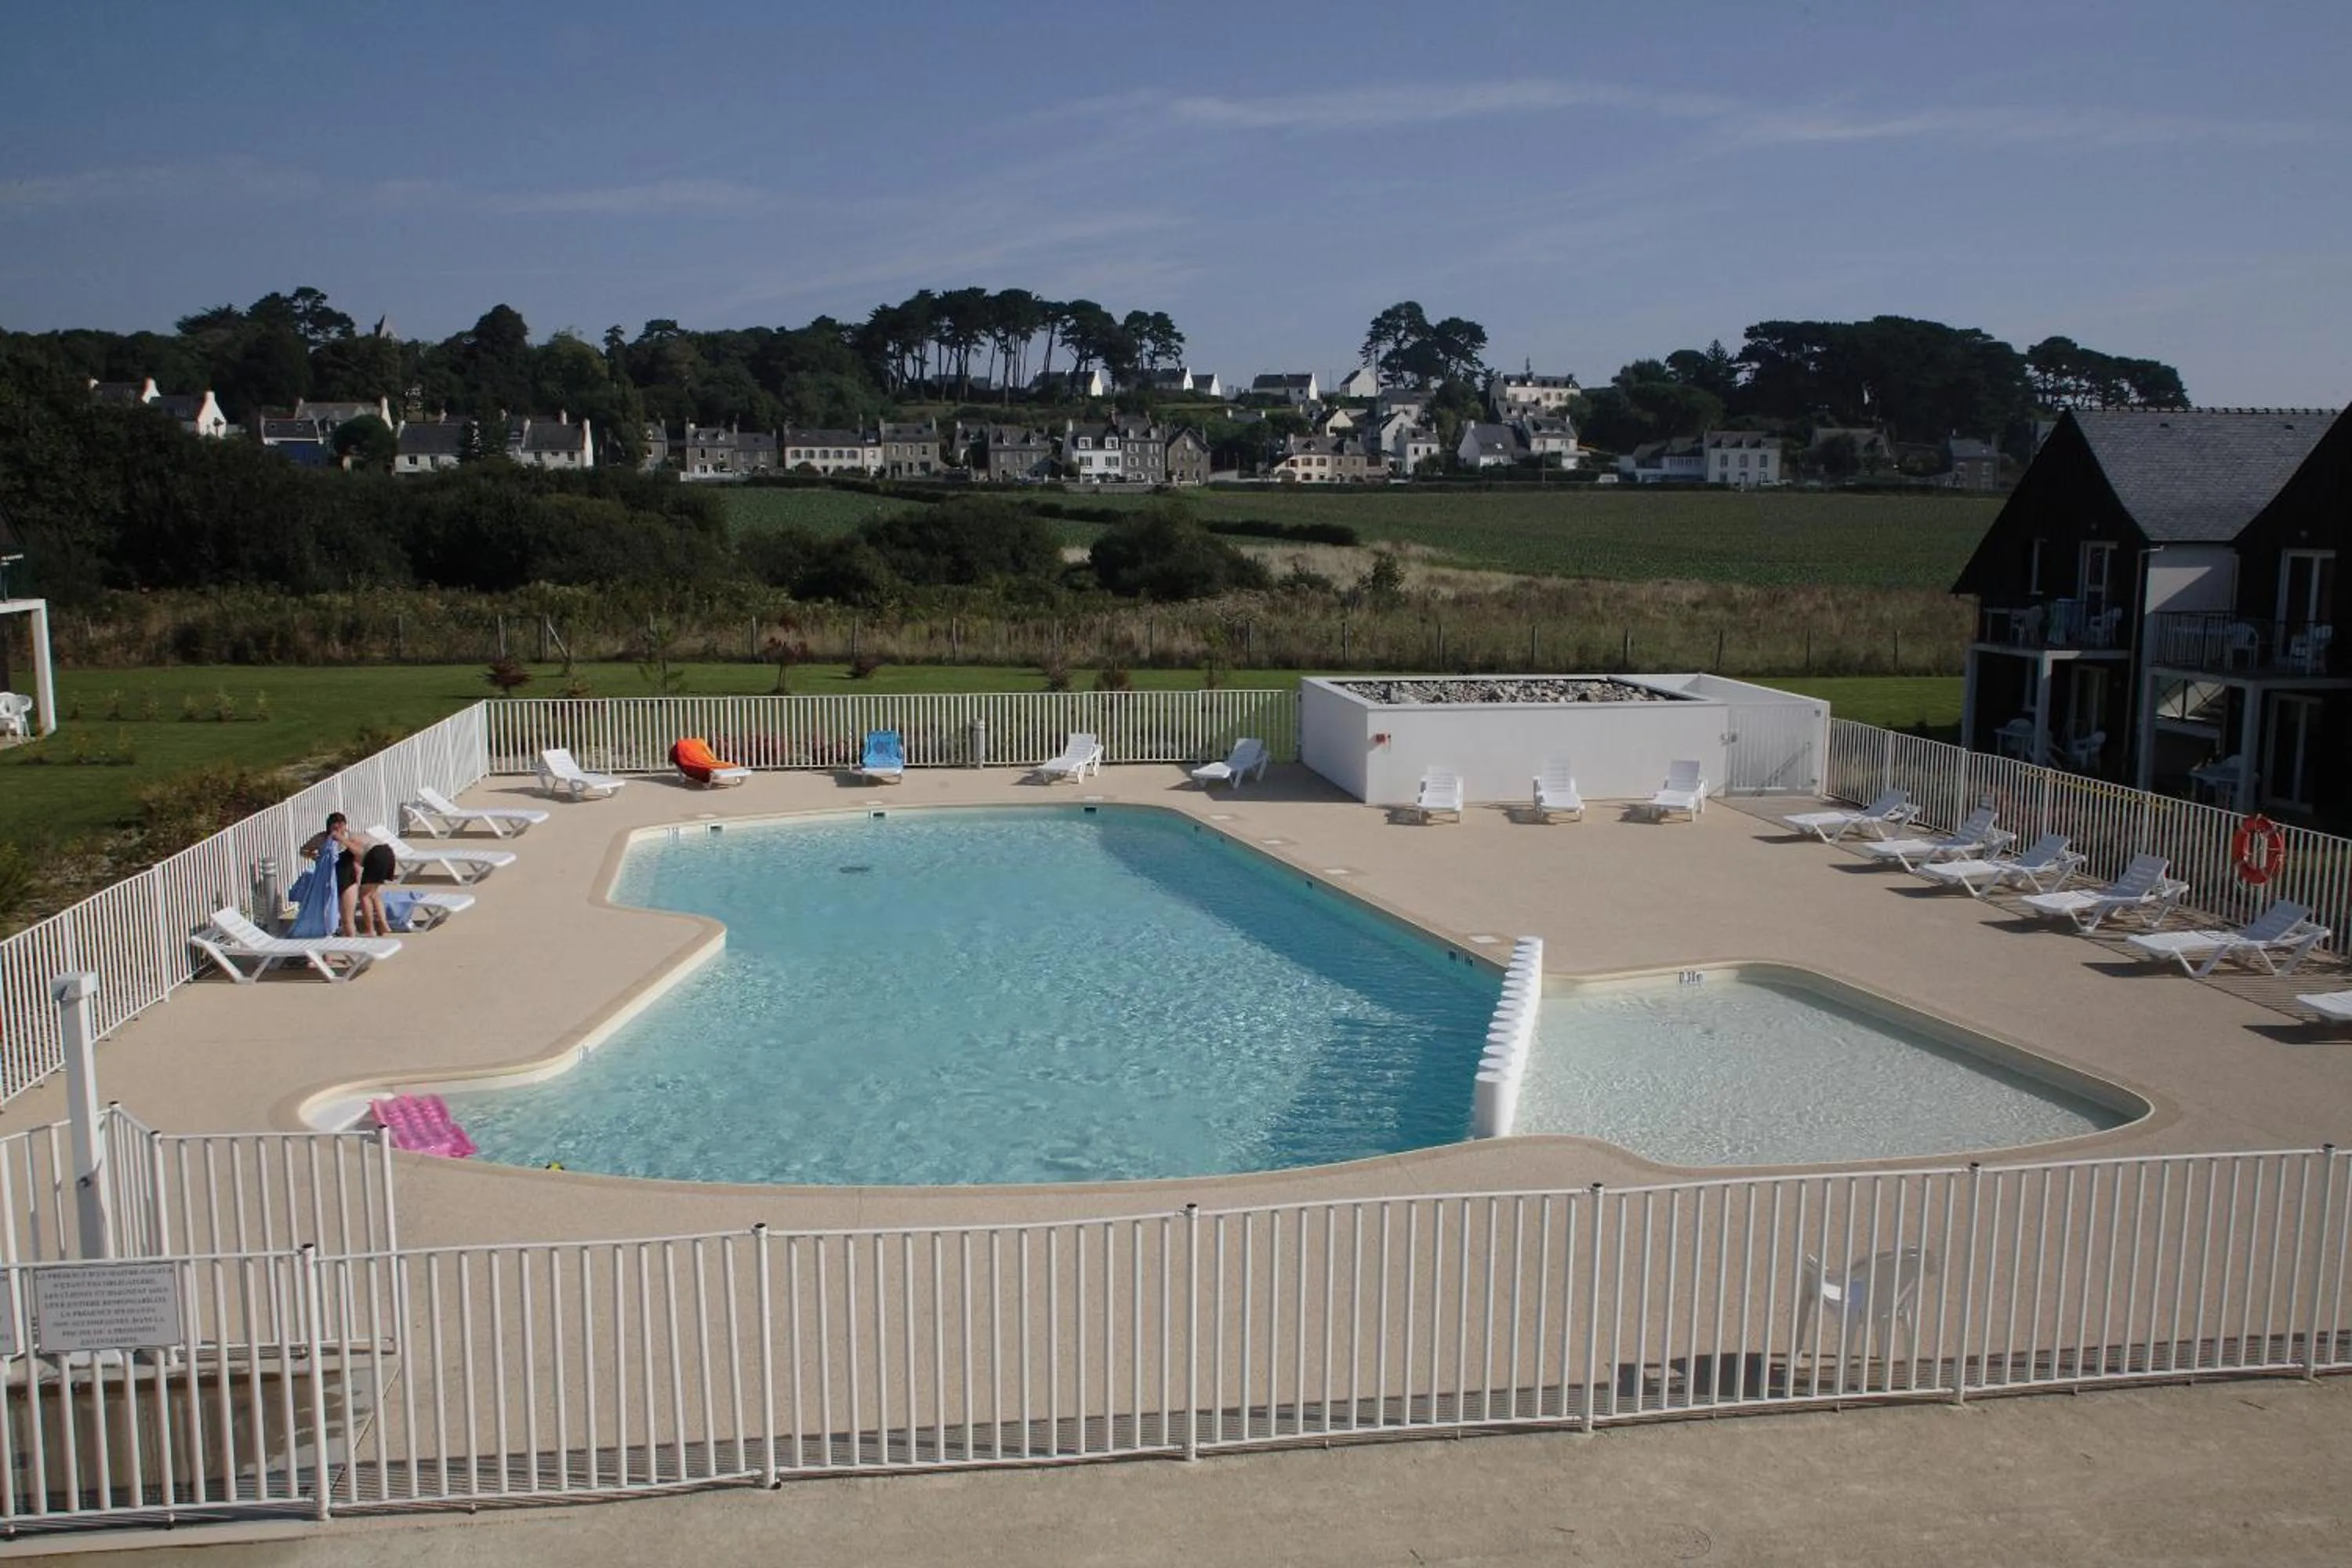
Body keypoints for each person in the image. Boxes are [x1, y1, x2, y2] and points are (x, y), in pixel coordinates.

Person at [299, 813, 390, 938]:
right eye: (334, 829)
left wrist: (343, 840)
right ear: (329, 828)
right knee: (327, 919)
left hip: (348, 881)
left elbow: (360, 854)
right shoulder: (321, 838)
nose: (338, 831)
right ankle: (329, 949)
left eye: (340, 828)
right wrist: (314, 856)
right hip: (327, 881)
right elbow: (303, 850)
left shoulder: (349, 838)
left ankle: (353, 949)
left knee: (347, 920)